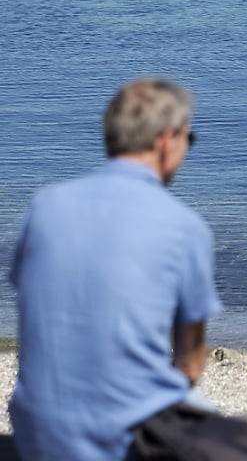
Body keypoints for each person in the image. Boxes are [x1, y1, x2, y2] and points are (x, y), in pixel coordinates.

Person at [8, 78, 221, 461]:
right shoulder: (183, 227)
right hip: (120, 440)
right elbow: (189, 362)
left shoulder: (44, 207)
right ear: (165, 140)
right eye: (190, 138)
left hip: (35, 427)